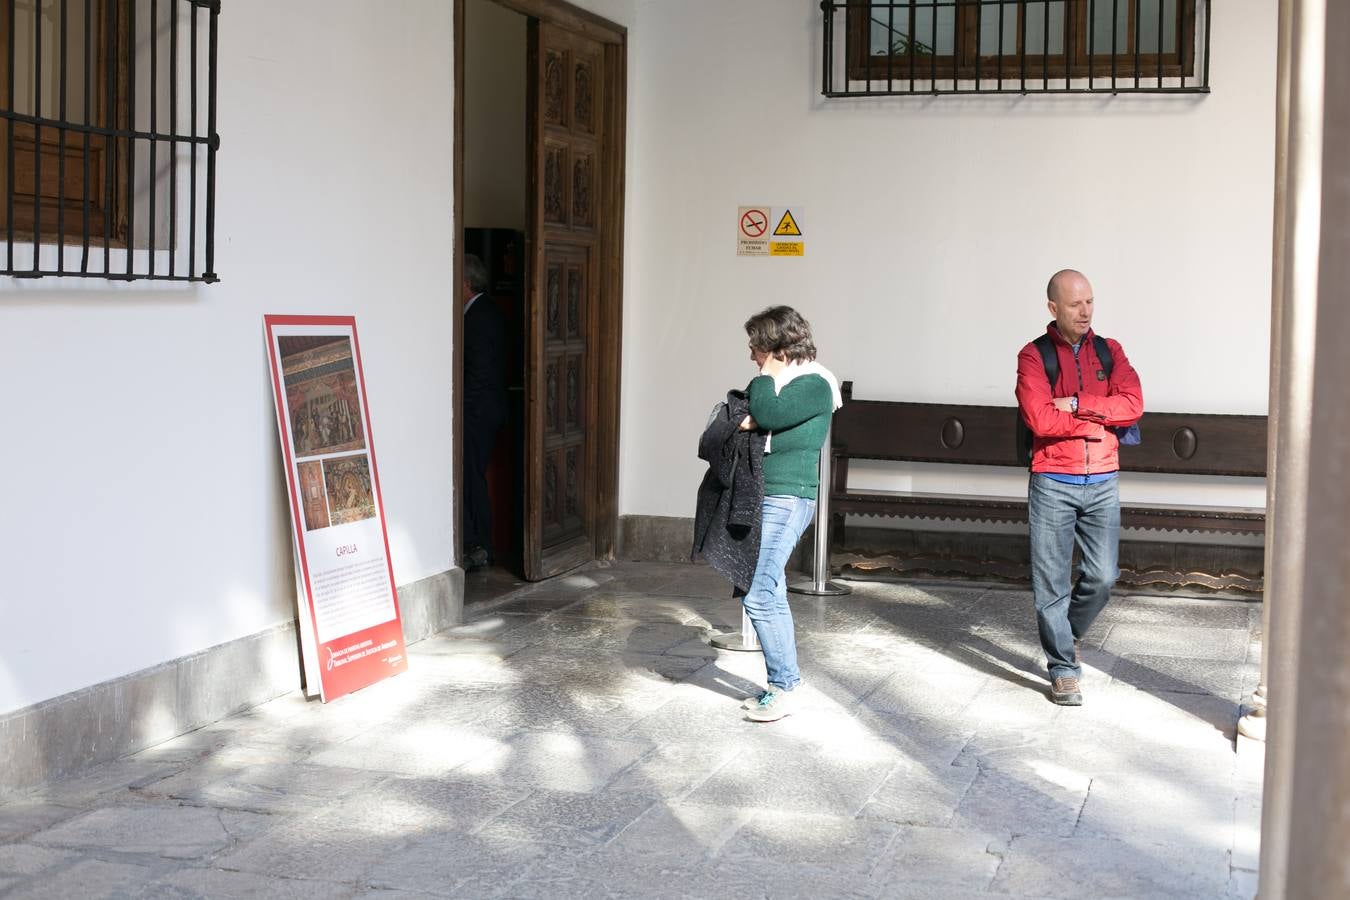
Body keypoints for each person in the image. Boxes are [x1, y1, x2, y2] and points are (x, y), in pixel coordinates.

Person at [1016, 269, 1144, 706]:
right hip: (1053, 480)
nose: (1085, 311)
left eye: (1089, 301)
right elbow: (1039, 419)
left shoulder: (1111, 352)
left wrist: (1076, 404)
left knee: (1103, 576)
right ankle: (1063, 669)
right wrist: (1099, 419)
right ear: (1053, 308)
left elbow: (1133, 405)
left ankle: (1063, 637)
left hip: (1104, 478)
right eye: (1075, 304)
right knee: (1051, 583)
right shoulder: (1033, 357)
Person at [735, 306, 842, 722]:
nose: (752, 357)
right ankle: (784, 683)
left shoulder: (814, 382)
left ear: (777, 346)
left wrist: (764, 379)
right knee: (771, 588)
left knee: (759, 592)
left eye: (756, 347)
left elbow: (767, 414)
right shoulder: (785, 382)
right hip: (768, 493)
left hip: (789, 496)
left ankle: (784, 686)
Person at [462, 253, 507, 572]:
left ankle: (480, 545)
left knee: (471, 478)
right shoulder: (490, 311)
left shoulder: (477, 317)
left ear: (464, 283)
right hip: (489, 407)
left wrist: (461, 412)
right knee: (472, 476)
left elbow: (477, 373)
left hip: (478, 412)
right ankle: (479, 543)